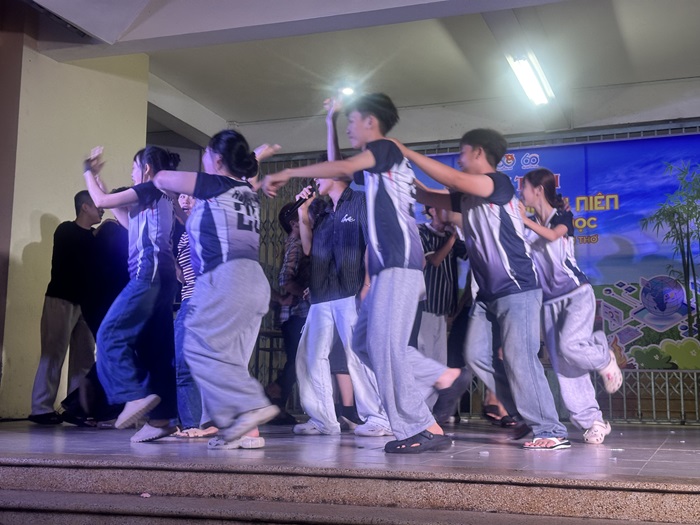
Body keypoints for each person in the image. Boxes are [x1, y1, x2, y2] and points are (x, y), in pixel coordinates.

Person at [262, 93, 470, 453]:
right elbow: (342, 166)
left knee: (384, 347)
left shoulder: (385, 148)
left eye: (351, 120)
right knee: (363, 344)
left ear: (371, 121)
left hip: (398, 262)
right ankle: (438, 382)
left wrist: (289, 171)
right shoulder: (383, 166)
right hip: (388, 267)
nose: (349, 127)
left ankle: (420, 427)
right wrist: (330, 121)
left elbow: (341, 167)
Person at [393, 128, 571, 450]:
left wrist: (406, 151)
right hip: (487, 295)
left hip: (517, 287)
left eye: (462, 153)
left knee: (520, 357)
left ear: (478, 152)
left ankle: (550, 429)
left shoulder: (497, 183)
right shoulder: (467, 196)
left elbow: (452, 179)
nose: (459, 160)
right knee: (476, 356)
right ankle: (522, 415)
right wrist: (397, 167)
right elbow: (425, 195)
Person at [152, 131, 281, 450]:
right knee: (229, 359)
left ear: (218, 159)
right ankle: (245, 430)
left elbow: (162, 178)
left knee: (198, 349)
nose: (203, 159)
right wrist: (257, 157)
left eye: (206, 154)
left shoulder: (214, 184)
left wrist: (156, 176)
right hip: (253, 281)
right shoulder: (245, 190)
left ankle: (252, 406)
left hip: (227, 278)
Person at [83, 146, 180, 443]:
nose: (132, 172)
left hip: (148, 275)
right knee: (156, 349)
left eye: (134, 167)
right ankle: (162, 419)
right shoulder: (161, 196)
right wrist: (100, 183)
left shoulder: (150, 187)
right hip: (164, 278)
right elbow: (128, 223)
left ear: (147, 168)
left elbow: (100, 201)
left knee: (109, 334)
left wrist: (87, 171)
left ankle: (133, 394)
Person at [519, 168, 622, 444]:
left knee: (570, 346)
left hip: (576, 292)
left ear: (538, 190)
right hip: (549, 302)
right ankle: (593, 422)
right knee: (565, 366)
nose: (521, 193)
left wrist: (523, 220)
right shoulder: (527, 224)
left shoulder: (562, 216)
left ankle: (603, 356)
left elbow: (554, 235)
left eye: (524, 187)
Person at [29, 191, 102, 425]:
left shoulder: (94, 237)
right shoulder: (66, 230)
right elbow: (77, 259)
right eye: (97, 205)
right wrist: (99, 235)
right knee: (53, 352)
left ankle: (76, 408)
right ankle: (40, 408)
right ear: (84, 207)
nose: (102, 209)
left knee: (84, 357)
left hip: (85, 303)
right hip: (61, 299)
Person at [172, 193, 218, 438]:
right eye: (182, 195)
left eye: (191, 196)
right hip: (189, 299)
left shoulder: (207, 227)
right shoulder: (185, 232)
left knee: (185, 362)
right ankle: (192, 422)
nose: (185, 200)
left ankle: (194, 423)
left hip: (202, 300)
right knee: (184, 362)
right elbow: (183, 275)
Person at [272, 201, 310, 424]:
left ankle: (277, 405)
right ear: (294, 223)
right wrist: (304, 295)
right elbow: (285, 279)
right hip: (296, 313)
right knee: (298, 360)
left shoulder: (296, 243)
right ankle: (274, 394)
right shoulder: (296, 244)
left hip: (295, 314)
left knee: (297, 360)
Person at [417, 206, 467, 367]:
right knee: (425, 357)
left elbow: (468, 254)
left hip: (445, 308)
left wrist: (461, 231)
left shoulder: (450, 236)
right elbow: (435, 260)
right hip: (427, 305)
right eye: (443, 208)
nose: (448, 213)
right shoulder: (421, 231)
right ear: (432, 211)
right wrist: (453, 237)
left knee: (440, 361)